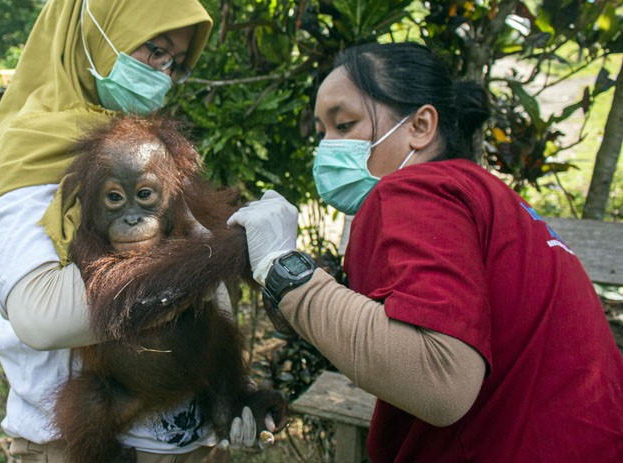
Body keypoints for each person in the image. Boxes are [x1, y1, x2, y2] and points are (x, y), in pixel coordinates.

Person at [229, 42, 623, 462]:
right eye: (323, 131)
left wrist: (282, 271)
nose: (327, 148)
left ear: (420, 126)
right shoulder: (482, 192)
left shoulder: (414, 189)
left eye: (344, 125)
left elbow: (441, 379)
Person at [0, 1, 273, 461]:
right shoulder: (32, 153)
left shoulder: (148, 148)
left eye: (173, 63)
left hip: (182, 435)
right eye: (154, 48)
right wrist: (223, 255)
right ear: (99, 32)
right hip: (79, 437)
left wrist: (229, 387)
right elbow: (43, 317)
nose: (163, 71)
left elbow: (206, 279)